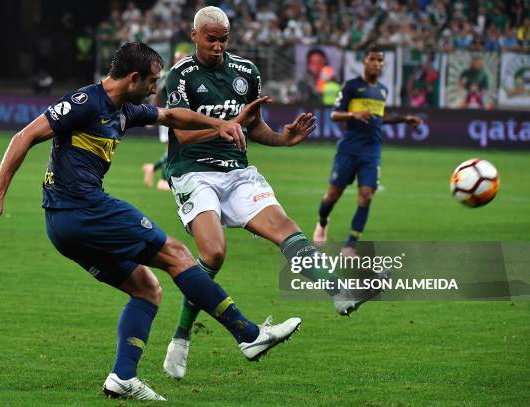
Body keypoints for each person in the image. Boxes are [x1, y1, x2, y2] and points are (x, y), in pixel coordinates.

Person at [0, 42, 301, 401]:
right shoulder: (85, 103)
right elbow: (24, 136)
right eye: (151, 81)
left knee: (147, 289)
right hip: (83, 209)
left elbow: (173, 117)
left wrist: (221, 124)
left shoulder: (125, 109)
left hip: (63, 225)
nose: (154, 88)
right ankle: (248, 334)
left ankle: (122, 377)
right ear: (133, 77)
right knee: (178, 254)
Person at [162, 7, 381, 380]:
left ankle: (339, 293)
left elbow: (253, 127)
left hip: (238, 172)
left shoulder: (246, 72)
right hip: (193, 173)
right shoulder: (181, 75)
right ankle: (181, 338)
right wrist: (224, 126)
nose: (217, 46)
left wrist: (283, 138)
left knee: (286, 228)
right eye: (210, 39)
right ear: (195, 35)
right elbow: (182, 133)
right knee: (213, 252)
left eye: (223, 40)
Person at [312, 48, 423, 255]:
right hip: (349, 149)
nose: (377, 64)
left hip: (372, 151)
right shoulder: (351, 86)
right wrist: (354, 114)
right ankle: (322, 222)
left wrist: (405, 119)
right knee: (333, 196)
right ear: (364, 61)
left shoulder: (382, 90)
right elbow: (335, 115)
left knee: (366, 197)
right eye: (373, 59)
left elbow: (381, 117)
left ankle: (350, 245)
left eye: (381, 60)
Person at [142, 50, 189, 191]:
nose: (181, 60)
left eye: (183, 58)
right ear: (175, 60)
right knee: (172, 149)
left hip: (182, 115)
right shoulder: (170, 75)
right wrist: (151, 112)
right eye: (179, 58)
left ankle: (153, 168)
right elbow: (157, 94)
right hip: (171, 115)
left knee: (177, 148)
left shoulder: (186, 75)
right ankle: (163, 180)